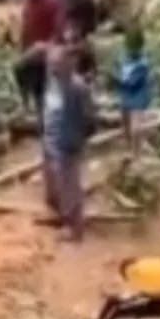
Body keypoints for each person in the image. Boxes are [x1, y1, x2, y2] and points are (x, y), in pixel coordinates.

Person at [42, 44, 96, 242]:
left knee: (70, 185)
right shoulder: (59, 84)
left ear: (69, 64)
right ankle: (69, 222)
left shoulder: (76, 88)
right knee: (65, 184)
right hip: (59, 140)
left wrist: (79, 137)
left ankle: (74, 228)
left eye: (56, 64)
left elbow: (89, 118)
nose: (53, 68)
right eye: (51, 64)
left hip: (70, 141)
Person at [15, 0, 64, 123]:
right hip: (29, 54)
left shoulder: (52, 2)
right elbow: (25, 26)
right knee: (27, 84)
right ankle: (34, 118)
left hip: (44, 56)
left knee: (43, 93)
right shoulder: (29, 1)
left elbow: (58, 31)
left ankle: (47, 125)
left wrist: (46, 47)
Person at [113, 26, 155, 158]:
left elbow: (132, 81)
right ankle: (128, 147)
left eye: (133, 46)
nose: (131, 50)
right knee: (125, 123)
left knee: (135, 127)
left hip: (138, 95)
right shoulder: (124, 57)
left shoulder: (143, 63)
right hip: (126, 94)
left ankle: (136, 153)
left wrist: (117, 78)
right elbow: (120, 71)